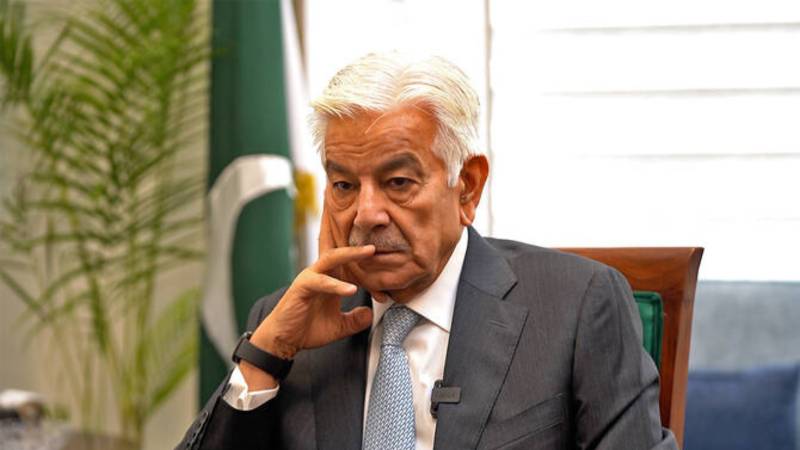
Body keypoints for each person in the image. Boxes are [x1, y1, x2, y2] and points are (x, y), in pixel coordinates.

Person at [178, 52, 678, 450]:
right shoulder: (288, 322)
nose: (366, 213)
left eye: (397, 181)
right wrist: (266, 356)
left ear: (467, 189)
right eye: (344, 185)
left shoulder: (574, 306)